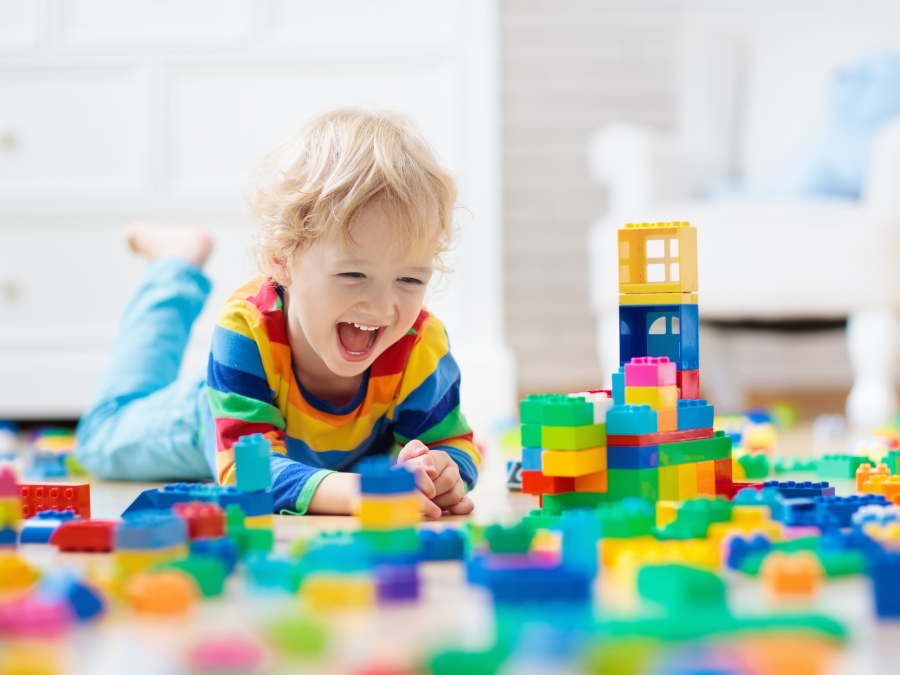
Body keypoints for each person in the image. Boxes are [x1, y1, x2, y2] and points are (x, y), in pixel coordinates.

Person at [75, 109, 479, 518]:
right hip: (212, 411)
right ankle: (174, 268)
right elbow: (247, 471)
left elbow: (454, 444)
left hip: (294, 442)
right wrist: (357, 493)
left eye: (409, 279)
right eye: (353, 274)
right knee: (99, 437)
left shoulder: (420, 345)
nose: (381, 307)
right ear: (281, 259)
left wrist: (444, 471)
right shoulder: (246, 329)